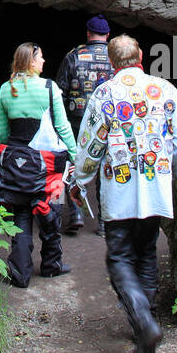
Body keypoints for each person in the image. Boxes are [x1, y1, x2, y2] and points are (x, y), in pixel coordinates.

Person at [71, 34, 177, 353]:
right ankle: (147, 324)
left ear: (111, 62)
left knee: (120, 258)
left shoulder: (104, 93)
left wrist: (80, 182)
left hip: (120, 192)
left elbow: (91, 146)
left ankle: (143, 323)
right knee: (147, 253)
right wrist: (171, 170)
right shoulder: (165, 90)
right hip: (155, 189)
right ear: (140, 55)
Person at [0, 42, 77, 288]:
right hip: (49, 165)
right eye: (41, 58)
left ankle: (20, 272)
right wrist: (74, 154)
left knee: (20, 213)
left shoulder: (4, 89)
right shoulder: (50, 88)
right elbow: (62, 127)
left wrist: (8, 161)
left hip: (16, 162)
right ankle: (52, 265)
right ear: (31, 61)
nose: (44, 61)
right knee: (53, 210)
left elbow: (1, 133)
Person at [56, 16, 111, 234]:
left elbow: (61, 90)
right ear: (108, 35)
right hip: (108, 122)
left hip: (77, 119)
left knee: (74, 162)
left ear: (88, 33)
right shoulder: (116, 56)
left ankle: (76, 212)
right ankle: (105, 222)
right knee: (107, 168)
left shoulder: (73, 55)